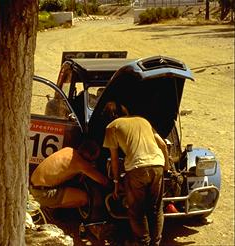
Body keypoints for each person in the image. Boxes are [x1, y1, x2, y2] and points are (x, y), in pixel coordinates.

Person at [102, 101, 170, 246]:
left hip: (137, 168)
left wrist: (116, 183)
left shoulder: (111, 126)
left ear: (109, 116)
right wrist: (166, 167)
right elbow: (163, 144)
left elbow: (114, 159)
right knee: (156, 208)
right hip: (157, 164)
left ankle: (143, 242)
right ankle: (156, 242)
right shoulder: (143, 120)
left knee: (136, 211)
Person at [29, 140, 110, 209]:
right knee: (84, 198)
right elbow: (103, 181)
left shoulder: (68, 150)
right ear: (90, 156)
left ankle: (51, 203)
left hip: (34, 187)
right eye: (93, 159)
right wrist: (117, 185)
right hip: (42, 193)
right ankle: (51, 206)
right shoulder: (81, 163)